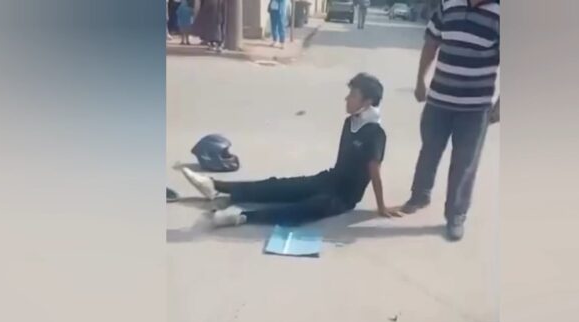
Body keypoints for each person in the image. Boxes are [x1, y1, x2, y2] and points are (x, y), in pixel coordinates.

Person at [180, 73, 401, 228]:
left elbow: (375, 173)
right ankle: (214, 186)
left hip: (344, 197)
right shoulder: (350, 122)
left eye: (353, 95)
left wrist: (381, 206)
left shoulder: (375, 133)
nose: (347, 98)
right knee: (279, 186)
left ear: (367, 102)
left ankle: (241, 217)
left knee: (301, 210)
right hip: (328, 180)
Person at [402, 0, 500, 241]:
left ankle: (456, 215)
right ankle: (420, 195)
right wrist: (420, 80)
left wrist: (501, 104)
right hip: (438, 100)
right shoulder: (449, 5)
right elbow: (431, 43)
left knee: (465, 163)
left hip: (474, 108)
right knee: (429, 150)